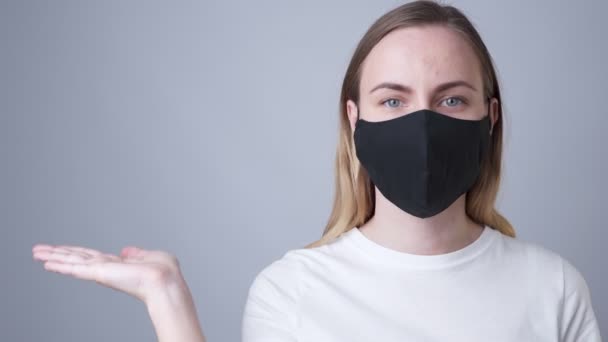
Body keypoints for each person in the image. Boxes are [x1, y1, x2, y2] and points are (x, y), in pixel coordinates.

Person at [32, 1, 602, 341]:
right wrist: (170, 303)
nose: (423, 123)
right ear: (354, 121)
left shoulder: (552, 289)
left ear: (490, 117)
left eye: (451, 100)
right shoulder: (293, 292)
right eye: (393, 100)